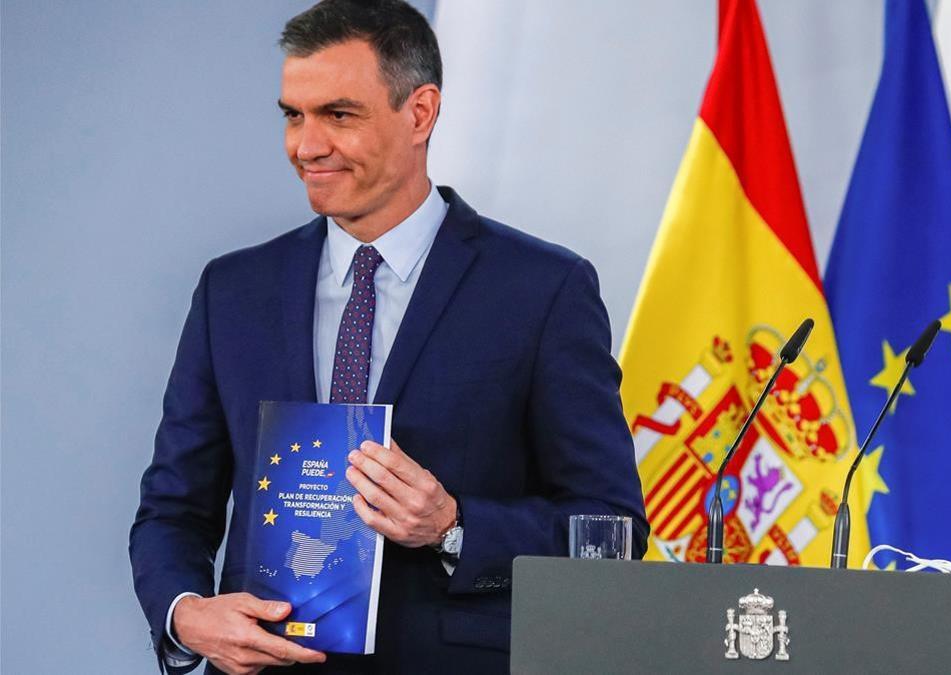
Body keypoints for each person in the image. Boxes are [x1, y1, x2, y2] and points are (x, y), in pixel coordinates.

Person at [129, 2, 648, 673]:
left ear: (421, 113)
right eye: (293, 114)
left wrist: (454, 524)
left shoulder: (542, 290)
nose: (306, 145)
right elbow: (172, 509)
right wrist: (186, 612)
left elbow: (610, 528)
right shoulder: (233, 291)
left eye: (339, 115)